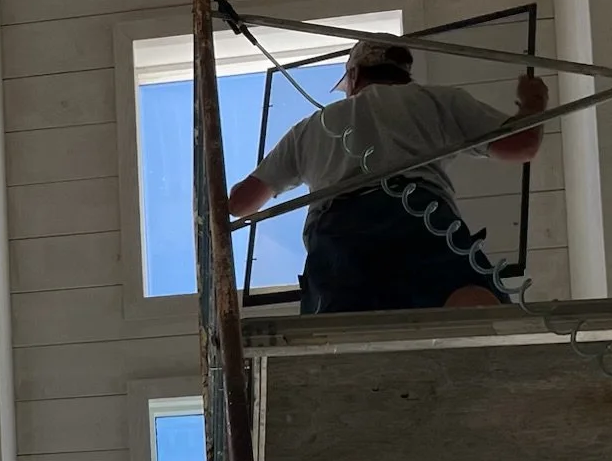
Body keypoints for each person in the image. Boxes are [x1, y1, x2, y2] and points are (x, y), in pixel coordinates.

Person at [225, 40, 547, 315]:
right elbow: (521, 145)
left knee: (337, 330)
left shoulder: (312, 127)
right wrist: (533, 102)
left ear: (354, 75)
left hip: (340, 233)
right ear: (404, 73)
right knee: (470, 301)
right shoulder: (437, 100)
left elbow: (240, 204)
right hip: (422, 217)